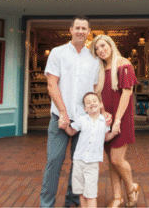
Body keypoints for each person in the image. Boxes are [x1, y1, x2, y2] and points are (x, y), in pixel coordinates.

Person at [40, 16, 103, 208]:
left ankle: (72, 202)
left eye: (84, 28)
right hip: (60, 119)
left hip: (84, 121)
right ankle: (46, 204)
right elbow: (52, 85)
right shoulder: (58, 53)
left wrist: (102, 112)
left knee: (80, 165)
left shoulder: (93, 58)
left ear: (88, 31)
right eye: (77, 27)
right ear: (70, 30)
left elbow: (94, 91)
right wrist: (63, 112)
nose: (80, 31)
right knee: (54, 162)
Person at [90, 34, 140, 208]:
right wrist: (103, 113)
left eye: (103, 46)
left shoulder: (123, 64)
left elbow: (127, 92)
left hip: (122, 116)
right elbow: (98, 95)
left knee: (117, 158)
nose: (100, 50)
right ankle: (117, 198)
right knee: (111, 159)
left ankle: (131, 188)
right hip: (106, 118)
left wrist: (117, 119)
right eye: (96, 49)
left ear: (111, 45)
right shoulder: (100, 69)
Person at [68, 91, 118, 208]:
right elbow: (71, 131)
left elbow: (106, 138)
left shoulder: (104, 122)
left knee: (90, 194)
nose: (92, 104)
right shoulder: (82, 120)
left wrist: (113, 133)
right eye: (88, 103)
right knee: (81, 192)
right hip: (79, 160)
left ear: (101, 105)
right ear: (85, 108)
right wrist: (65, 126)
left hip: (92, 162)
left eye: (95, 101)